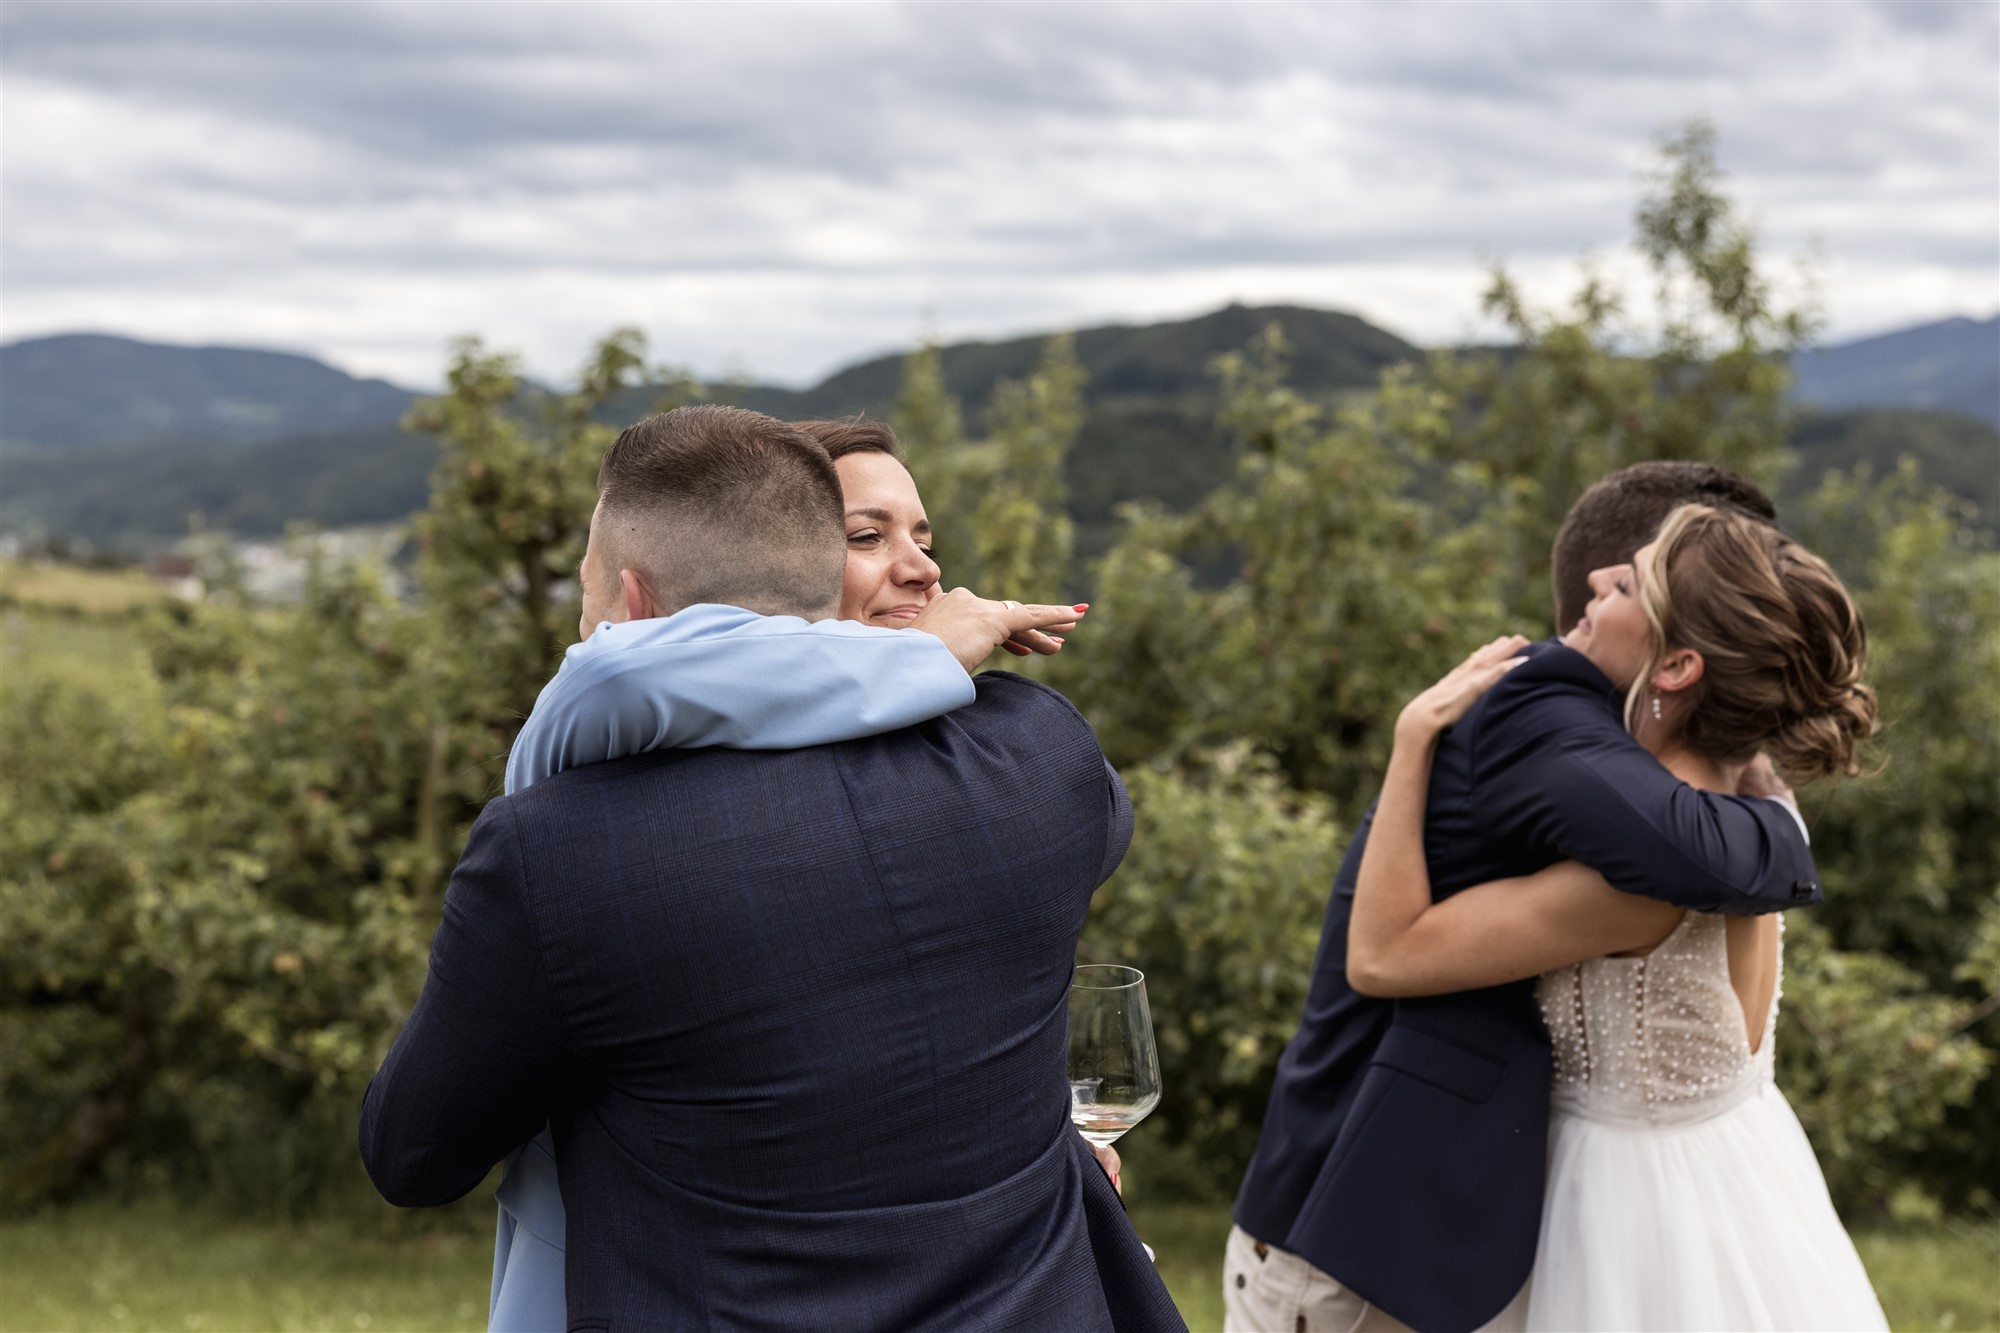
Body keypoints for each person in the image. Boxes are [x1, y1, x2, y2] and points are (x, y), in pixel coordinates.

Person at [360, 406, 1183, 1332]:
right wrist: (913, 661)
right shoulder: (1036, 758)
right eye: (865, 536)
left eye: (584, 596)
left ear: (632, 607)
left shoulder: (561, 847)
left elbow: (414, 1155)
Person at [1226, 463, 1824, 1333]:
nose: (1595, 587)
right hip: (1363, 1227)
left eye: (1627, 582)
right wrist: (1784, 826)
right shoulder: (1552, 718)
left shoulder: (1676, 803)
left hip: (1547, 1211)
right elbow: (1386, 953)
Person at [1347, 502, 1884, 1330]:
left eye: (1632, 582)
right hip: (1745, 1162)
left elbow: (1383, 955)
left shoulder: (1633, 885)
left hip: (1629, 1199)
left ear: (1676, 667)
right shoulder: (1762, 796)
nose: (1600, 581)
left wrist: (1412, 740)